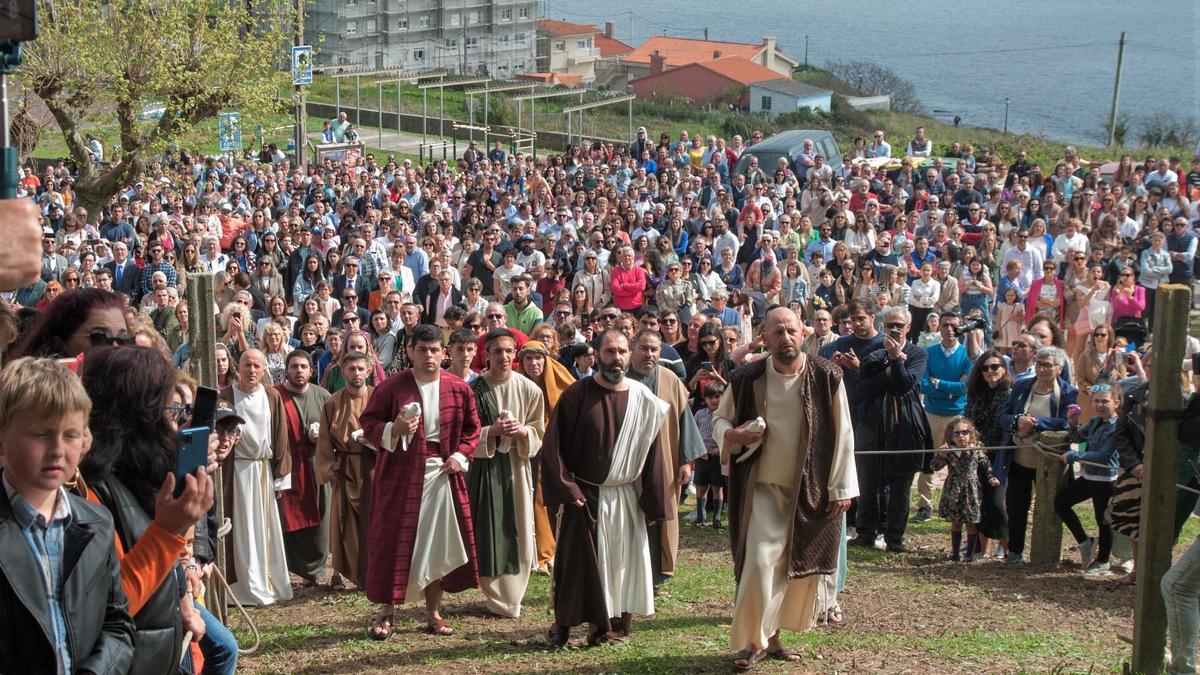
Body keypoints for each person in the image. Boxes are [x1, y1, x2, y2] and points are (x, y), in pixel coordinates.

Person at [713, 306, 857, 670]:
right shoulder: (746, 378)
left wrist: (841, 486)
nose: (786, 338)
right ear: (765, 337)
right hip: (761, 489)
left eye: (791, 330)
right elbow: (720, 418)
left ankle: (773, 637)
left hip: (806, 491)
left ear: (803, 332)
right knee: (760, 564)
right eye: (777, 332)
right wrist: (732, 434)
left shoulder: (826, 376)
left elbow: (843, 434)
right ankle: (749, 643)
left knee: (793, 568)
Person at [0, 356, 136, 674]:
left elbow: (117, 624)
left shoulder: (97, 524)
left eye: (70, 435)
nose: (58, 449)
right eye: (41, 434)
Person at [541, 329, 670, 648]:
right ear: (596, 354)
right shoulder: (576, 395)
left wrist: (653, 501)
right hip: (585, 496)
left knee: (623, 563)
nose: (617, 358)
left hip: (624, 495)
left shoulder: (644, 401)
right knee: (577, 564)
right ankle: (566, 624)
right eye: (610, 352)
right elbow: (553, 447)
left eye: (622, 352)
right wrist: (569, 490)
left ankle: (613, 627)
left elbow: (654, 456)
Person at [358, 325, 481, 639]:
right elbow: (368, 423)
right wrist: (394, 429)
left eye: (434, 349)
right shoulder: (391, 388)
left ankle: (434, 613)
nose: (429, 355)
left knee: (436, 544)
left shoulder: (458, 388)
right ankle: (386, 612)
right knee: (393, 542)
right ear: (410, 351)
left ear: (444, 353)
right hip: (400, 476)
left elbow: (472, 429)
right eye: (422, 349)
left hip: (442, 476)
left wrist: (461, 456)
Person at [467, 329, 546, 618]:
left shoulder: (529, 390)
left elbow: (539, 431)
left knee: (519, 526)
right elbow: (465, 435)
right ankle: (495, 594)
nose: (503, 356)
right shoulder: (474, 391)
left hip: (516, 466)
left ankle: (514, 595)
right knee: (490, 528)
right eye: (497, 351)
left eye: (508, 351)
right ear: (485, 354)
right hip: (485, 469)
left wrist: (523, 431)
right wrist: (492, 432)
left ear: (516, 355)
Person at [626, 329, 706, 588]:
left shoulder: (670, 380)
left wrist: (685, 461)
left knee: (661, 516)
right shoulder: (619, 378)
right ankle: (629, 571)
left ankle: (658, 573)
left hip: (665, 461)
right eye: (644, 348)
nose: (649, 354)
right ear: (632, 349)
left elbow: (685, 421)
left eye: (654, 349)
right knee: (631, 516)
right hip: (628, 466)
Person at [851, 306, 930, 553]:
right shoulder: (871, 352)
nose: (894, 329)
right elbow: (863, 389)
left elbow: (904, 386)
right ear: (884, 327)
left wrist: (895, 360)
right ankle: (866, 533)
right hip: (872, 426)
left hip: (903, 426)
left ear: (908, 328)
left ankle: (895, 538)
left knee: (900, 487)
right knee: (868, 481)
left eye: (899, 325)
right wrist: (888, 369)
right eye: (890, 325)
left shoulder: (917, 354)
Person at [220, 349, 294, 605]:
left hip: (262, 471)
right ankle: (240, 588)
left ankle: (266, 582)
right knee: (239, 528)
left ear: (264, 370)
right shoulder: (225, 397)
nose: (252, 371)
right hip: (235, 472)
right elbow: (218, 431)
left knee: (263, 528)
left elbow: (281, 436)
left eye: (257, 366)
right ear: (237, 367)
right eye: (247, 365)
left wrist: (281, 477)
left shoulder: (272, 396)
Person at [996, 346, 1077, 564]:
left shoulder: (1068, 392)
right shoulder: (1022, 386)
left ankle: (1046, 554)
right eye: (1039, 364)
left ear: (1059, 368)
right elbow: (1003, 416)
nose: (1042, 369)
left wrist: (1035, 424)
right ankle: (1014, 552)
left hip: (1049, 461)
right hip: (1019, 458)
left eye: (1048, 365)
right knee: (1015, 506)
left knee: (1048, 508)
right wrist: (1017, 421)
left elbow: (1066, 422)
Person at [315, 351, 376, 590]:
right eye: (351, 369)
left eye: (361, 369)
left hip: (372, 466)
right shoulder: (332, 402)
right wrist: (330, 469)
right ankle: (344, 572)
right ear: (343, 372)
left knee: (372, 521)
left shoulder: (377, 397)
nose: (356, 373)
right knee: (344, 523)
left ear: (369, 371)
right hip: (344, 469)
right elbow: (324, 442)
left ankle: (372, 573)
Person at [516, 340, 576, 574]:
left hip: (555, 450)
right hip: (525, 448)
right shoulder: (517, 384)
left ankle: (548, 552)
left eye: (538, 358)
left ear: (546, 360)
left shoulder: (562, 383)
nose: (533, 363)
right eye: (528, 359)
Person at [275, 350, 332, 587]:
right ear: (287, 369)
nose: (299, 371)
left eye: (304, 367)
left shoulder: (322, 395)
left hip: (316, 463)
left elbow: (334, 427)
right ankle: (290, 568)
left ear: (311, 370)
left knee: (321, 515)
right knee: (288, 518)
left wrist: (323, 437)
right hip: (288, 463)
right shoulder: (275, 396)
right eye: (294, 366)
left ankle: (316, 570)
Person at [915, 312, 975, 523]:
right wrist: (951, 389)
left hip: (957, 416)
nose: (950, 329)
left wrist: (939, 384)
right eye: (945, 325)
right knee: (929, 461)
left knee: (958, 461)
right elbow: (923, 384)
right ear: (938, 327)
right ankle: (924, 505)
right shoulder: (928, 353)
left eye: (954, 326)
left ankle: (956, 502)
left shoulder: (967, 355)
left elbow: (965, 387)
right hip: (932, 414)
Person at [1057, 383, 1122, 574]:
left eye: (1105, 401)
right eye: (1096, 401)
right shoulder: (1094, 422)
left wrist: (1074, 456)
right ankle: (1086, 541)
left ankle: (1103, 561)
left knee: (1103, 519)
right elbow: (1077, 439)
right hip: (1088, 476)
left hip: (1105, 480)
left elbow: (1104, 456)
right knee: (1061, 502)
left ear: (1116, 403)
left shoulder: (1117, 427)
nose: (1100, 405)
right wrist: (1073, 421)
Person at [931, 417, 999, 562]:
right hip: (954, 488)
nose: (961, 436)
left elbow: (985, 465)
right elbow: (934, 467)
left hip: (971, 489)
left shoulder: (976, 448)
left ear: (971, 433)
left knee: (971, 522)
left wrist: (991, 477)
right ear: (951, 436)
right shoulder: (949, 450)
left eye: (965, 432)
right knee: (956, 521)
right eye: (957, 433)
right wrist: (940, 455)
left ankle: (969, 554)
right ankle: (955, 553)